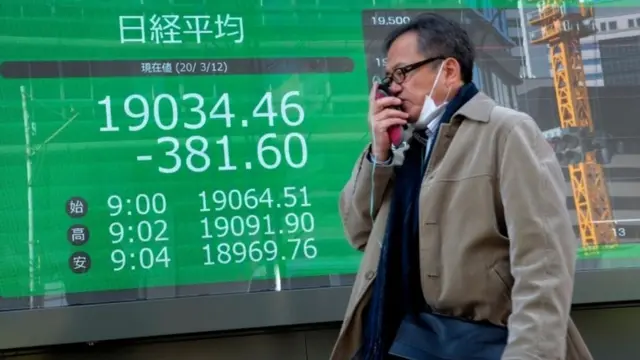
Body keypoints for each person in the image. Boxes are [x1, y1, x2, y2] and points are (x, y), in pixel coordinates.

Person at [331, 13, 593, 360]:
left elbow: (542, 260)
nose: (392, 88)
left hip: (486, 343)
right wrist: (379, 153)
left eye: (402, 73)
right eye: (388, 77)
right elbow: (358, 231)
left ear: (449, 71)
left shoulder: (506, 131)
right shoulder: (406, 149)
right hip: (405, 342)